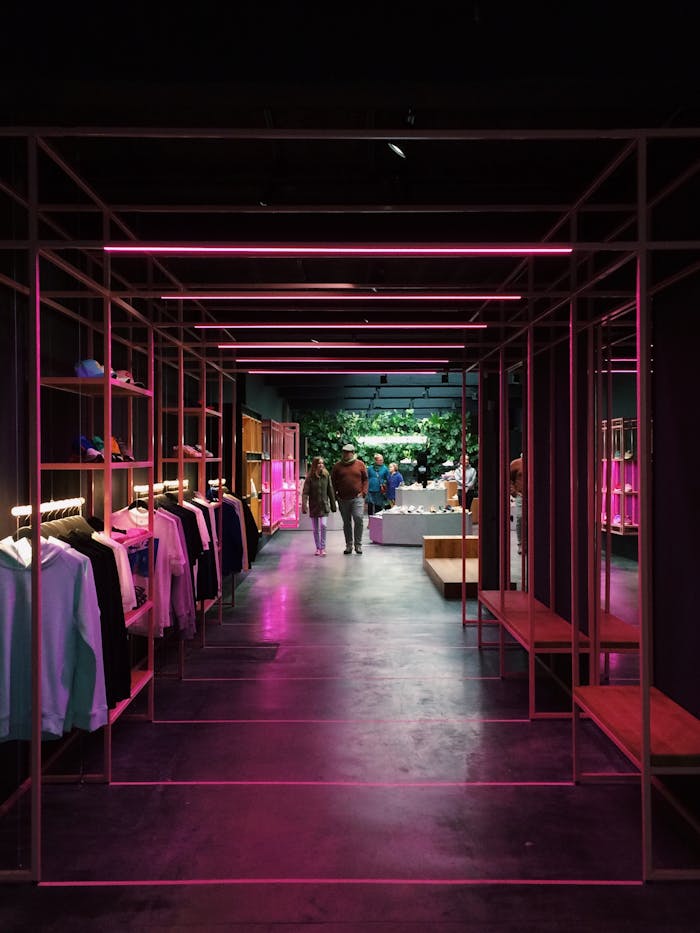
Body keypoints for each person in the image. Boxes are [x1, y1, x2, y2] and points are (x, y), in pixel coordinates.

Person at [331, 443, 368, 555]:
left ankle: (358, 544)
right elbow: (333, 482)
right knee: (346, 522)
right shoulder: (337, 466)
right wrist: (335, 496)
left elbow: (365, 479)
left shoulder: (360, 464)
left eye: (348, 452)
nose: (346, 454)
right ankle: (349, 545)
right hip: (343, 498)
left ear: (353, 453)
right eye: (344, 452)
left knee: (358, 518)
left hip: (357, 497)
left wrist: (363, 492)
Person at [301, 456, 337, 556]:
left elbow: (330, 491)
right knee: (315, 529)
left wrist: (333, 505)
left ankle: (323, 547)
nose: (321, 465)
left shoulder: (326, 475)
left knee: (323, 525)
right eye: (319, 463)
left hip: (324, 506)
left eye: (322, 463)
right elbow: (305, 492)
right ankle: (318, 548)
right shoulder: (310, 477)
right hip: (314, 506)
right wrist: (304, 505)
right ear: (315, 465)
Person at [366, 452, 390, 518]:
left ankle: (376, 523)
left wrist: (384, 483)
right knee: (370, 506)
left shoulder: (385, 468)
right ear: (375, 460)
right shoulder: (370, 468)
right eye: (380, 460)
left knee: (378, 506)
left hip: (379, 490)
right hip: (370, 490)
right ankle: (370, 522)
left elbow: (388, 479)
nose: (382, 461)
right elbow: (366, 478)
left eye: (382, 460)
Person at [510, 453, 524, 555]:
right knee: (520, 517)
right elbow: (509, 479)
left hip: (536, 496)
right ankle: (521, 543)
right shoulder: (516, 463)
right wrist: (513, 492)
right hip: (521, 495)